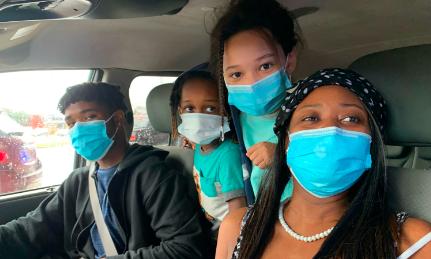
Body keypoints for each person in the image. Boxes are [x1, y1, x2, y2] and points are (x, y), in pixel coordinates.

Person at [216, 68, 431, 259]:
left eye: (351, 119)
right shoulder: (238, 227)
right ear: (286, 142)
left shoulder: (415, 245)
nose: (330, 130)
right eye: (311, 118)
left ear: (370, 145)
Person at [0, 83, 211, 259]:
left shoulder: (154, 175)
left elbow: (185, 248)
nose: (78, 129)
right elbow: (32, 228)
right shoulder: (79, 180)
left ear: (117, 119)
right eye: (71, 123)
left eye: (89, 117)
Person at [210, 0, 301, 202]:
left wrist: (282, 154)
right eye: (236, 74)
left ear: (289, 60)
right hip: (263, 219)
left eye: (265, 66)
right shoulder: (235, 119)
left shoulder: (311, 107)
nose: (251, 83)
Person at [169, 64, 246, 223]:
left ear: (225, 111)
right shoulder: (199, 146)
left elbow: (237, 215)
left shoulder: (228, 156)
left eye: (211, 108)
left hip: (223, 230)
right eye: (190, 108)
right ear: (180, 111)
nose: (198, 118)